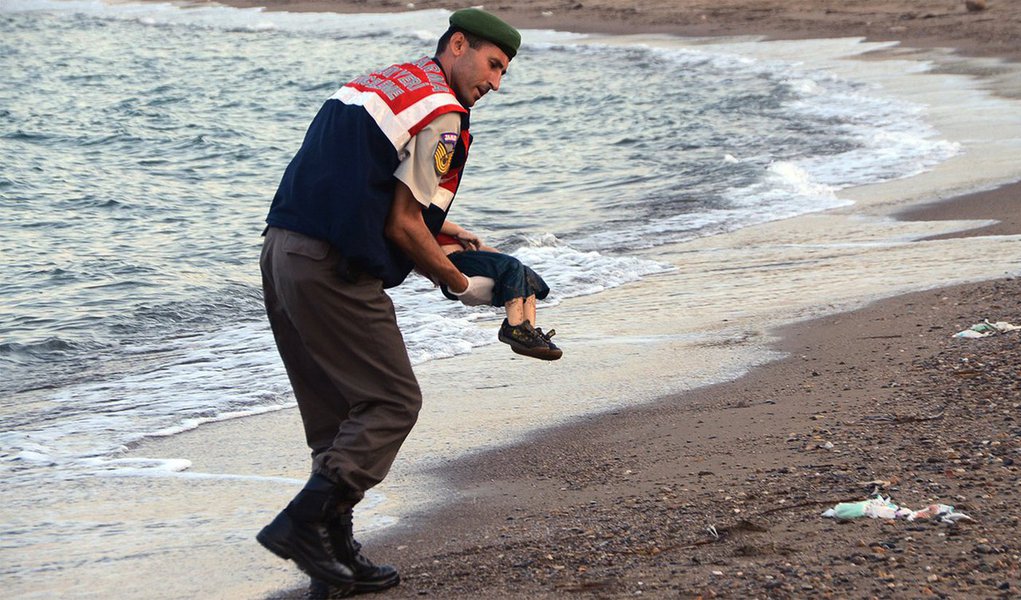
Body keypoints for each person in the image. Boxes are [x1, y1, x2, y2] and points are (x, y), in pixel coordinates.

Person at [255, 9, 521, 597]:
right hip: (331, 268)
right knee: (391, 402)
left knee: (335, 418)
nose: (495, 83)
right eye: (493, 64)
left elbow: (358, 182)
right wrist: (457, 283)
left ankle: (334, 564)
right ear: (458, 44)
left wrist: (445, 233)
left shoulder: (385, 81)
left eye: (504, 73)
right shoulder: (445, 115)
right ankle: (301, 525)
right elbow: (403, 227)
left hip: (282, 252)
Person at [434, 221, 562, 360]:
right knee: (513, 265)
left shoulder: (456, 237)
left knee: (523, 272)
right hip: (452, 261)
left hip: (468, 259)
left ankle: (527, 333)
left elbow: (500, 259)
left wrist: (481, 246)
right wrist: (459, 231)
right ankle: (513, 328)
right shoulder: (427, 220)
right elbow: (431, 218)